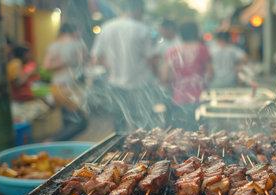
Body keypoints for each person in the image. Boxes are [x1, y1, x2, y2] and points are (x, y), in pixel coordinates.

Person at [90, 0, 155, 131]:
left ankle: (119, 148)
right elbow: (150, 59)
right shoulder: (142, 29)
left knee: (119, 124)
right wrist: (156, 78)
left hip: (115, 84)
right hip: (139, 85)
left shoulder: (106, 27)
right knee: (140, 124)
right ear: (137, 9)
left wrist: (110, 64)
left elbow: (95, 57)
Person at [161, 21, 213, 131]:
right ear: (196, 33)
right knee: (198, 136)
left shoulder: (173, 51)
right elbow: (210, 74)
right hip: (199, 99)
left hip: (178, 99)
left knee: (181, 136)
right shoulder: (202, 49)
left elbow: (165, 77)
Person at [43, 22, 88, 141]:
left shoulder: (54, 45)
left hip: (56, 87)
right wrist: (68, 62)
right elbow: (83, 60)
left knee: (68, 121)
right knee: (80, 122)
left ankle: (63, 149)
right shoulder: (76, 43)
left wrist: (62, 63)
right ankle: (52, 141)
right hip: (68, 88)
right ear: (74, 31)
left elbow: (46, 65)